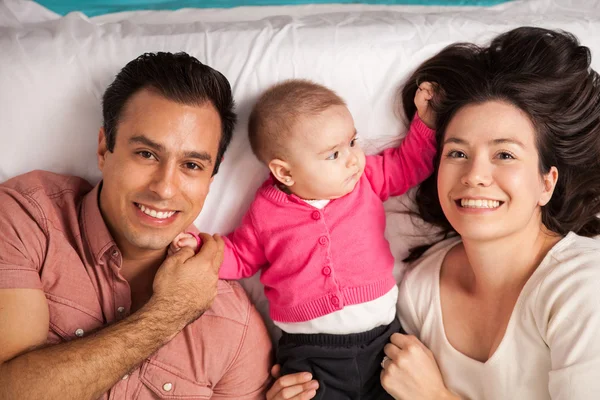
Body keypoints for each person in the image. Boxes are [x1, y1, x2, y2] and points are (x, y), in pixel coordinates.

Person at [0, 52, 273, 399]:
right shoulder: (25, 218)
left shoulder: (235, 331)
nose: (164, 188)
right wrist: (171, 312)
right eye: (146, 154)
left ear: (210, 179)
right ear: (103, 149)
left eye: (191, 165)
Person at [172, 79, 438, 399]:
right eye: (333, 154)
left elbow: (410, 164)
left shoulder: (365, 180)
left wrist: (425, 122)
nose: (353, 158)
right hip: (312, 358)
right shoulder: (265, 212)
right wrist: (197, 245)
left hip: (384, 342)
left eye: (353, 142)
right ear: (285, 173)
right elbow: (240, 256)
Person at [376, 27, 600, 400]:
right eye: (457, 153)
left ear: (547, 183)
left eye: (505, 155)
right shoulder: (421, 288)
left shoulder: (583, 290)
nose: (474, 175)